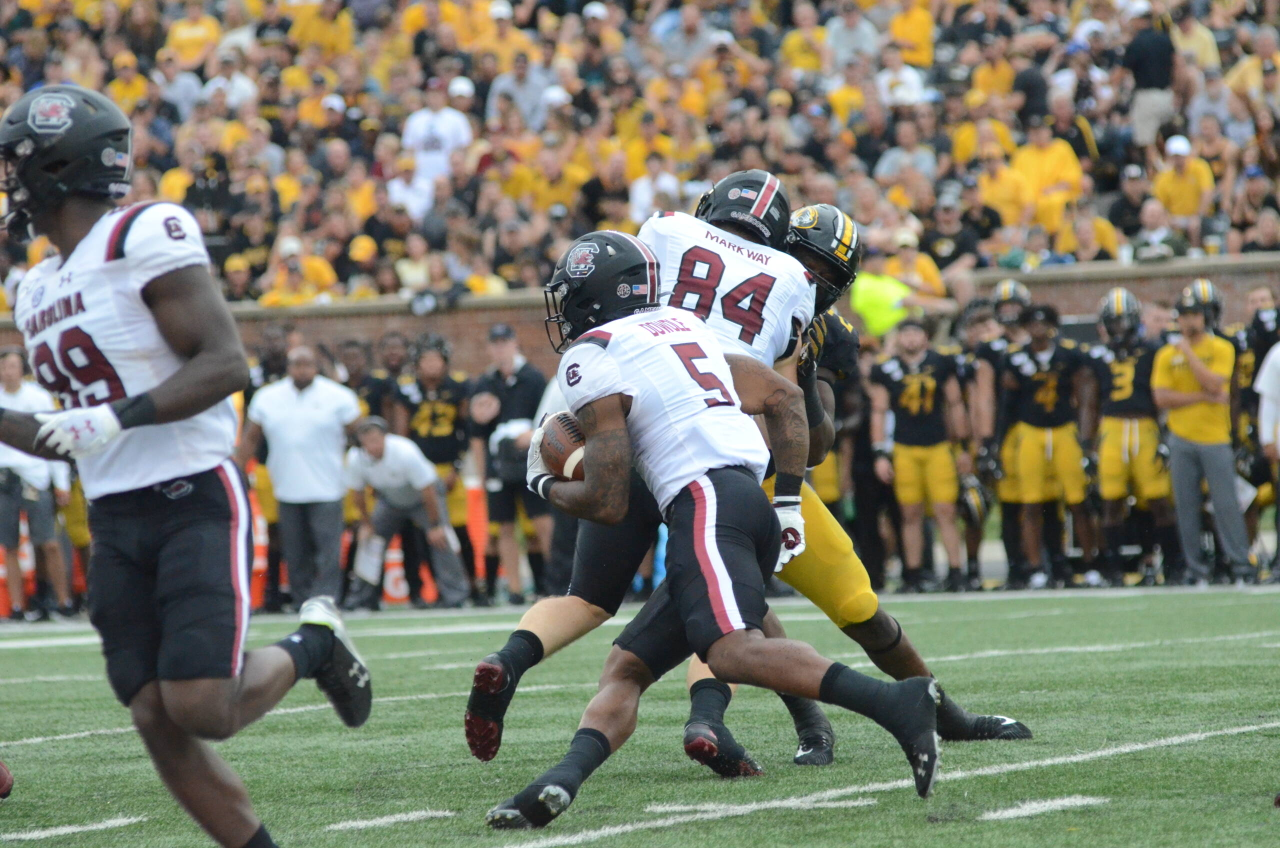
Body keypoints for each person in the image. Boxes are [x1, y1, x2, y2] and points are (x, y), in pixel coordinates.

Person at [0, 86, 370, 848]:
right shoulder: (33, 285)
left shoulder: (141, 232)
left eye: (17, 162)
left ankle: (315, 644)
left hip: (191, 493)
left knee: (202, 705)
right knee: (151, 713)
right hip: (112, 513)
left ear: (57, 167)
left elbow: (226, 362)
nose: (9, 179)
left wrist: (119, 416)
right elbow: (60, 434)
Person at [485, 232, 943, 829]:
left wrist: (542, 481)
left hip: (705, 501)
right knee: (626, 668)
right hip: (743, 498)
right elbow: (782, 397)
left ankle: (896, 701)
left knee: (731, 652)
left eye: (569, 295)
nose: (563, 309)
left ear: (594, 296)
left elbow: (608, 500)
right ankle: (558, 783)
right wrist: (785, 503)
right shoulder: (685, 325)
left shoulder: (591, 354)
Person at [238, 346, 361, 603]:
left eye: (307, 364)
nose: (302, 370)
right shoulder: (267, 397)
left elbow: (359, 434)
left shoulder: (339, 396)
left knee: (328, 549)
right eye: (297, 364)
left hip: (328, 485)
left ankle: (327, 598)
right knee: (294, 550)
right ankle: (301, 600)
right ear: (288, 367)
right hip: (285, 485)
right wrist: (238, 468)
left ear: (316, 367)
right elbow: (250, 438)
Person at [1153, 281, 1252, 585]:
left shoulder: (1220, 347)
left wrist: (1189, 355)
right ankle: (1196, 569)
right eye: (1184, 315)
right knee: (1186, 508)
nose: (1189, 321)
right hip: (1180, 437)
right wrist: (1201, 397)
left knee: (1226, 505)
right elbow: (1162, 397)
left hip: (1215, 437)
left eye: (1194, 314)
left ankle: (1240, 565)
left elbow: (1215, 383)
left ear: (1204, 317)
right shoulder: (1166, 354)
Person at [999, 304, 1099, 589]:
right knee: (1030, 503)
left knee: (1078, 500)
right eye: (1032, 324)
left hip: (1064, 430)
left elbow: (1084, 394)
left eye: (1043, 323)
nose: (1038, 329)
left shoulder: (1070, 354)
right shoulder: (1015, 357)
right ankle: (1036, 568)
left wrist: (1086, 438)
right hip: (1031, 431)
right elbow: (1008, 402)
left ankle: (1091, 564)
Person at [869, 319, 972, 593]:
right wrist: (880, 453)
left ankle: (956, 572)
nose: (911, 338)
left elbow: (955, 404)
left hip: (938, 446)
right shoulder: (885, 368)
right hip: (904, 447)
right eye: (906, 333)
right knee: (910, 513)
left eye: (916, 332)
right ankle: (912, 575)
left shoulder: (942, 362)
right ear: (898, 338)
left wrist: (962, 447)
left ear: (926, 337)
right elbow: (879, 411)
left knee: (946, 510)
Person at [1089, 289, 1182, 585]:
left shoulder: (1153, 350)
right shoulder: (1096, 355)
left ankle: (1171, 565)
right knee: (1111, 500)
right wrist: (1087, 443)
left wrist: (1166, 433)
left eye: (1123, 321)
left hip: (1145, 427)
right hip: (1112, 428)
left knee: (1157, 499)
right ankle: (1114, 568)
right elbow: (1090, 401)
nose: (1119, 328)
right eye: (1113, 322)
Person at [343, 417, 469, 609]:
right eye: (366, 441)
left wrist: (435, 525)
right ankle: (361, 598)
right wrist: (367, 524)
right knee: (370, 542)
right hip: (389, 499)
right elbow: (358, 495)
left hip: (423, 498)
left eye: (375, 440)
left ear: (385, 437)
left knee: (441, 539)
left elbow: (428, 489)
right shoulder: (356, 458)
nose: (372, 446)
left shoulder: (405, 451)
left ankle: (456, 596)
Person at [393, 334, 482, 606]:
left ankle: (472, 586)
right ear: (416, 364)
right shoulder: (406, 389)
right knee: (424, 534)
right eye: (426, 360)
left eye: (436, 359)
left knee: (458, 530)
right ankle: (437, 590)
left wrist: (456, 467)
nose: (431, 365)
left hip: (448, 469)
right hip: (418, 472)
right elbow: (401, 433)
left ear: (445, 362)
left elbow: (466, 430)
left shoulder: (458, 386)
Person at [469, 323, 552, 604]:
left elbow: (549, 418)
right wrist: (482, 472)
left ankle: (556, 580)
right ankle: (515, 589)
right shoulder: (485, 382)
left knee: (542, 522)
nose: (500, 349)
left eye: (504, 342)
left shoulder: (533, 378)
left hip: (531, 460)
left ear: (515, 343)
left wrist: (533, 436)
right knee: (504, 526)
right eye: (495, 343)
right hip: (499, 464)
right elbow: (477, 435)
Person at [0, 348, 72, 621]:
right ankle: (18, 606)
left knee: (48, 542)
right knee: (9, 545)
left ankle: (63, 601)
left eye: (13, 366)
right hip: (4, 477)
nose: (8, 372)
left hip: (35, 476)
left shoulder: (38, 397)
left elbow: (53, 438)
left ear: (22, 368)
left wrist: (61, 482)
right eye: (4, 366)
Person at [973, 279, 1031, 587]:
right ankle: (1018, 567)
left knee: (1043, 501)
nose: (1009, 312)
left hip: (1044, 427)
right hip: (1007, 433)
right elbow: (984, 396)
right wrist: (986, 441)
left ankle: (1046, 564)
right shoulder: (991, 347)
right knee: (1011, 503)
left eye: (1014, 305)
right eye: (1004, 306)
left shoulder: (1039, 341)